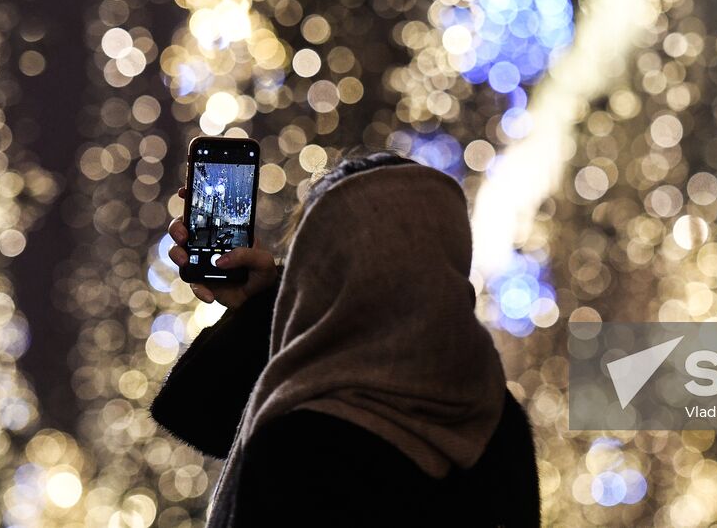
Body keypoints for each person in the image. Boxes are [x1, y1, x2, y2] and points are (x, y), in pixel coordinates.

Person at [150, 151, 540, 527]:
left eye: (315, 263)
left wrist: (272, 308)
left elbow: (202, 415)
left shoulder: (302, 445)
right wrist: (272, 306)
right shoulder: (494, 420)